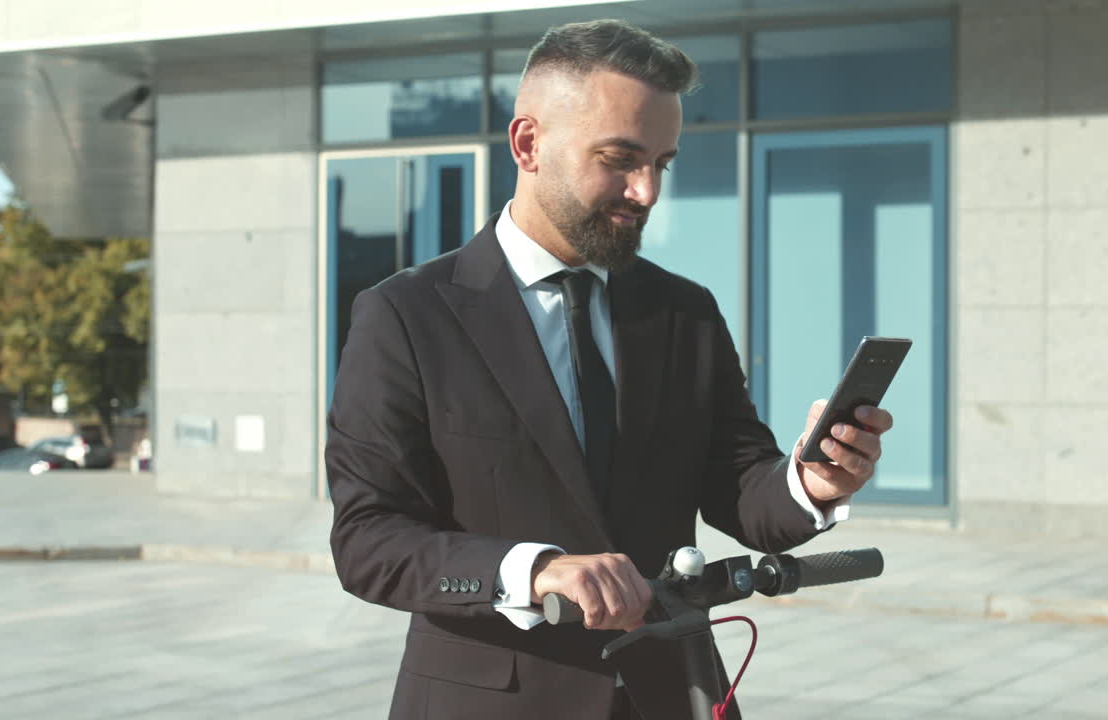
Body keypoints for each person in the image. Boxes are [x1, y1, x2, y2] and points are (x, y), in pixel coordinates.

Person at [325, 19, 894, 720]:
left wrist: (811, 480)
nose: (647, 191)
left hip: (675, 696)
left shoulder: (683, 311)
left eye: (663, 162)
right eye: (620, 158)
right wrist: (534, 570)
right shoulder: (406, 317)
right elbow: (369, 541)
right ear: (528, 144)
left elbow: (740, 484)